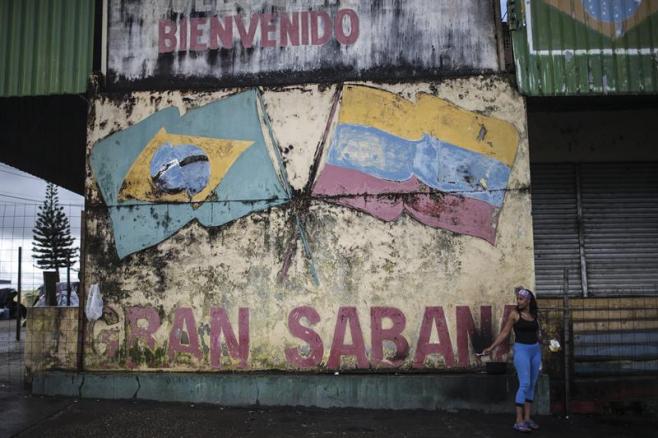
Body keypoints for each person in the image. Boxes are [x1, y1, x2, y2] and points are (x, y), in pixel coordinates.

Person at [481, 287, 541, 433]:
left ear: (528, 301)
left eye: (521, 299)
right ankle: (518, 420)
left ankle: (527, 419)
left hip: (535, 350)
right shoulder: (515, 314)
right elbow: (505, 333)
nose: (518, 302)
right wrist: (492, 347)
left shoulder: (534, 314)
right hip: (521, 351)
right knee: (525, 383)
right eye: (518, 299)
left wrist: (547, 343)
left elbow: (538, 332)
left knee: (532, 384)